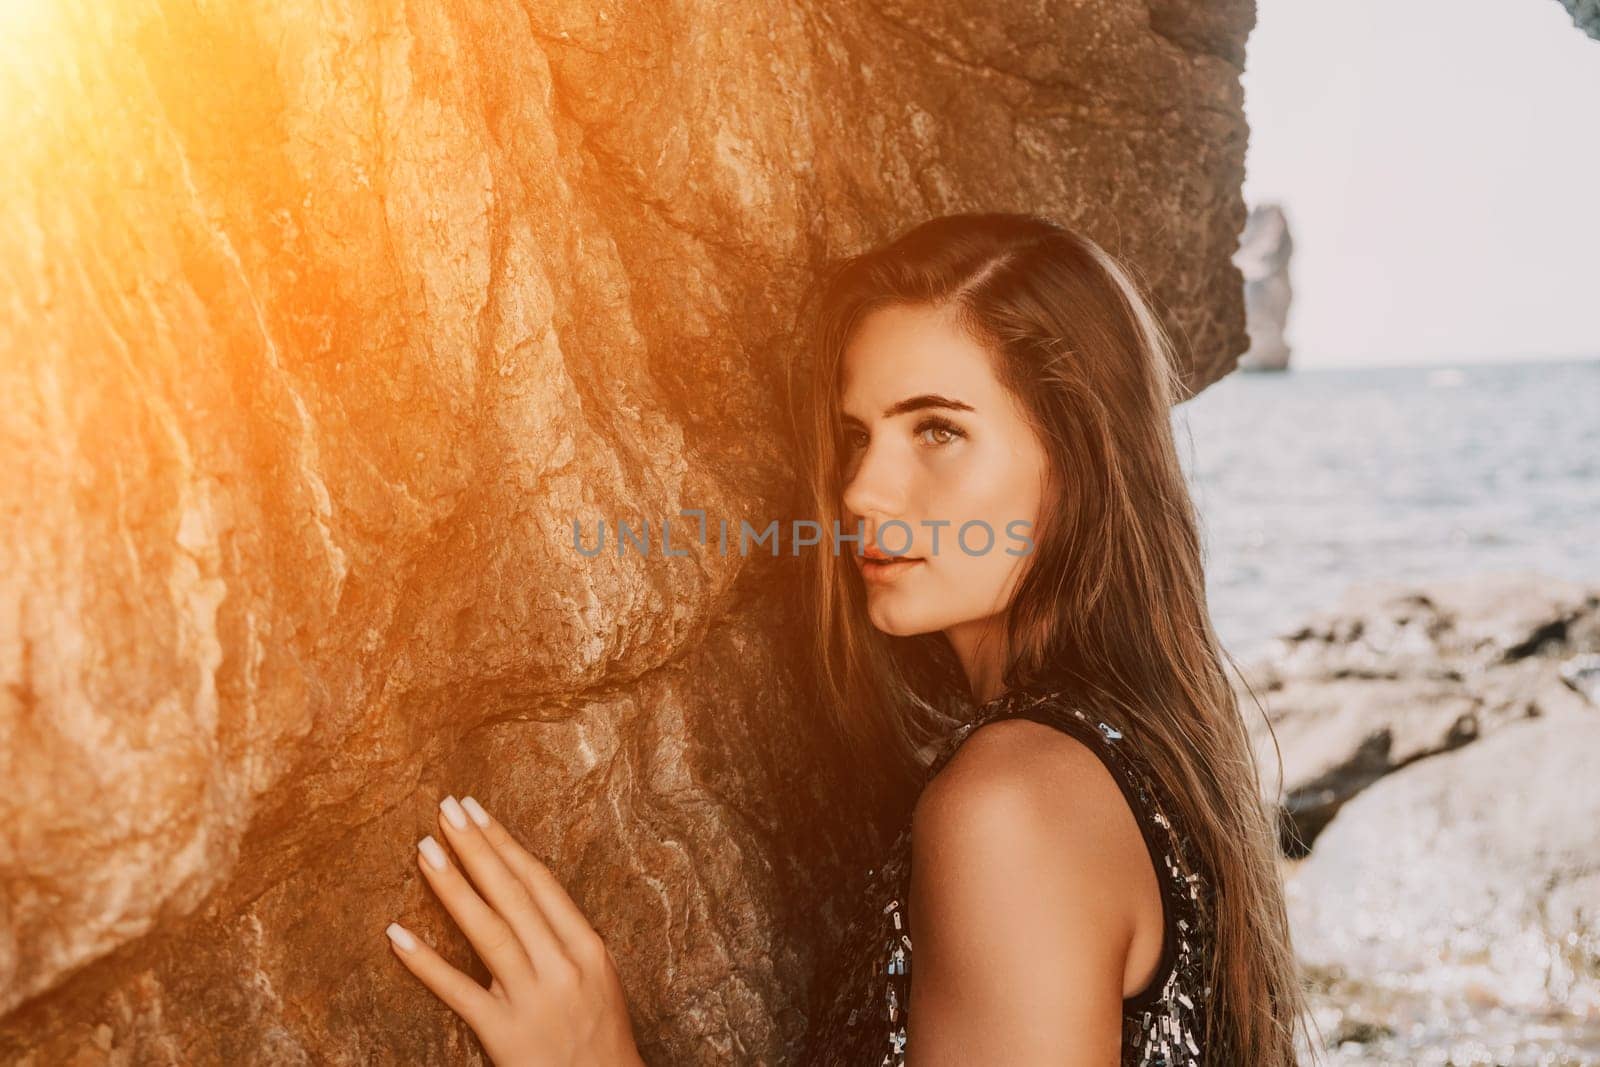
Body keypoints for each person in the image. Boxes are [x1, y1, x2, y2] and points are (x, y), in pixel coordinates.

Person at [789, 213, 1317, 1064]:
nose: (860, 490)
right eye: (859, 436)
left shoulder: (1012, 805)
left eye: (937, 429)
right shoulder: (1138, 757)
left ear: (1077, 459)